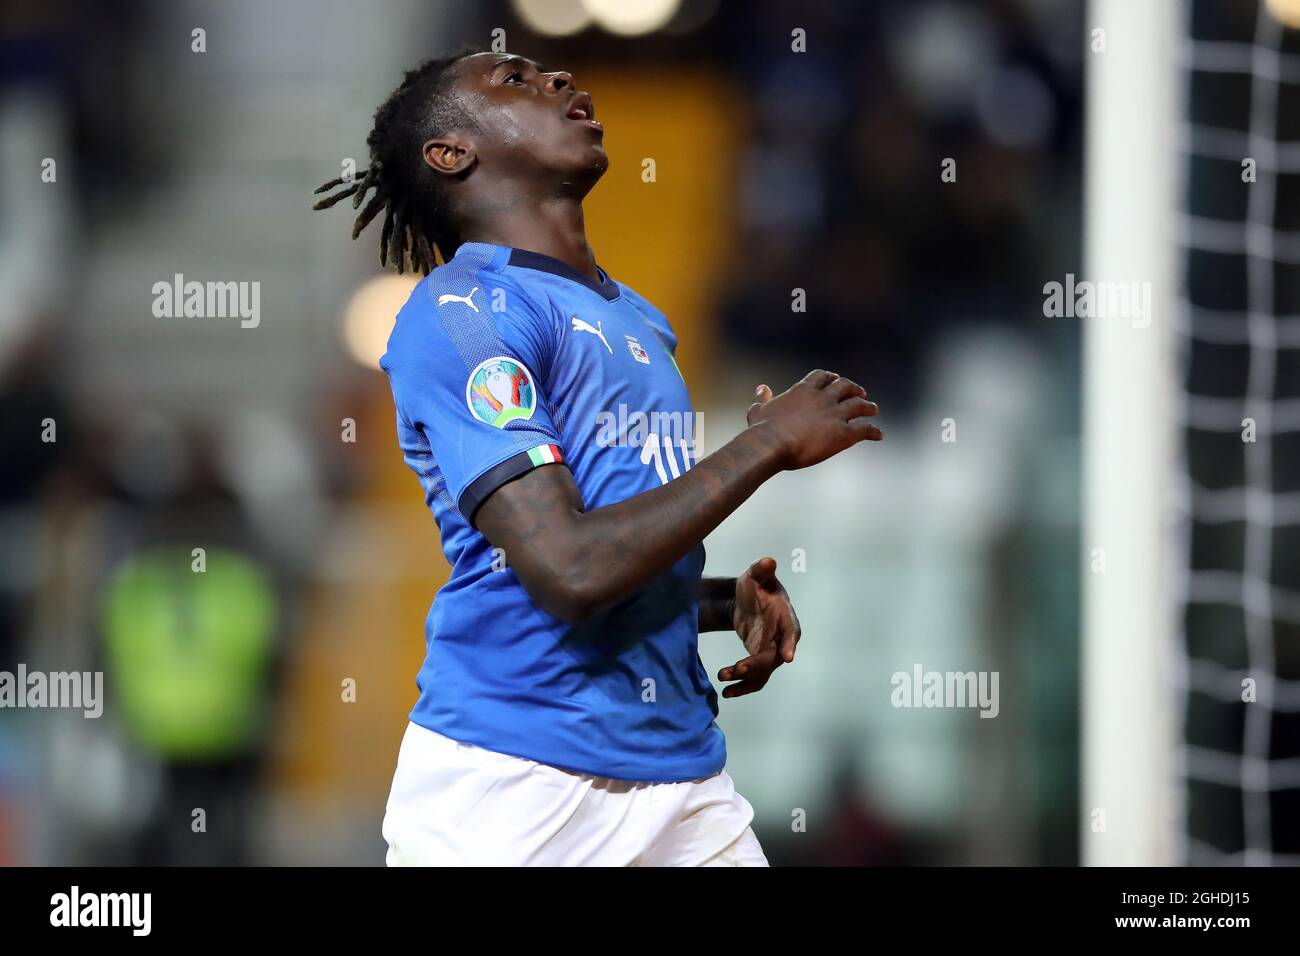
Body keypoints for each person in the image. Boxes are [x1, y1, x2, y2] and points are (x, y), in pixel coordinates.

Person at [314, 49, 882, 866]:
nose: (557, 82)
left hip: (681, 778)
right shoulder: (464, 317)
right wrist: (764, 445)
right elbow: (568, 568)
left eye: (548, 74)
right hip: (514, 790)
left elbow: (607, 560)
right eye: (514, 80)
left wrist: (717, 603)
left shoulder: (637, 317)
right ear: (451, 152)